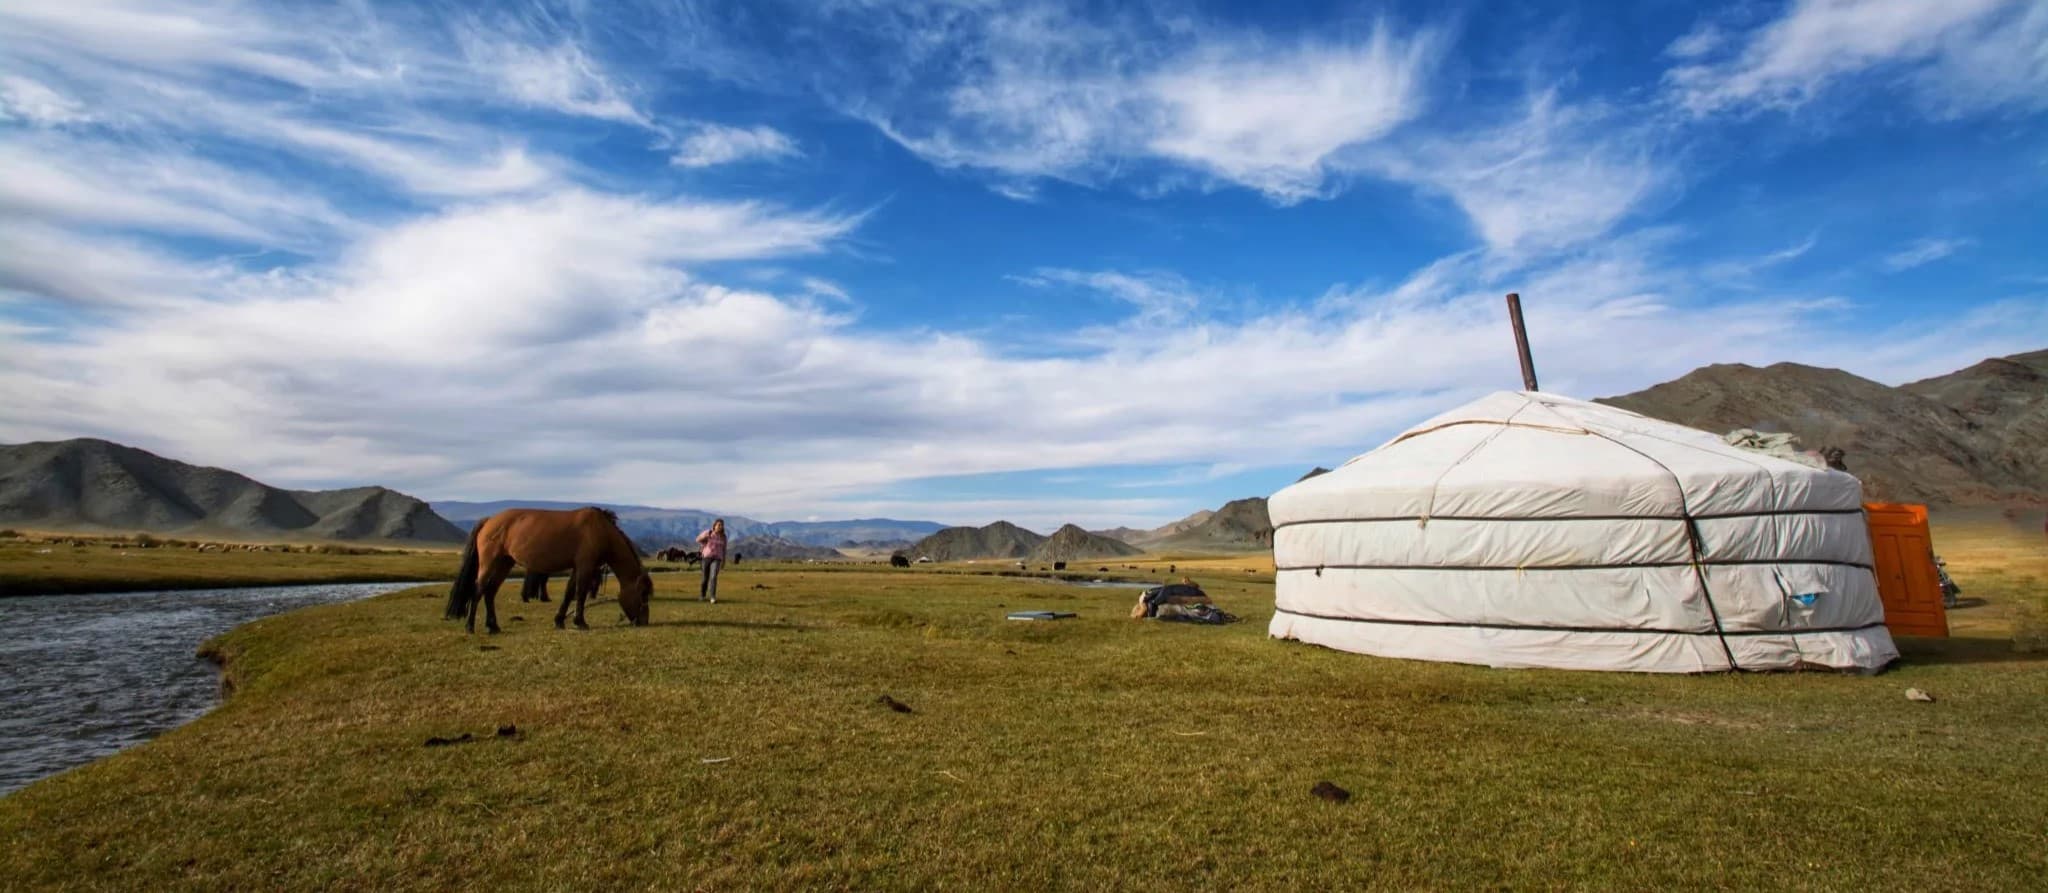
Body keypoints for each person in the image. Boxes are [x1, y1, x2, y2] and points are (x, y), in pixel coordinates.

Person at [695, 519, 728, 603]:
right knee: (705, 578)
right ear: (714, 525)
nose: (720, 526)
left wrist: (723, 561)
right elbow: (697, 539)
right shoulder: (709, 533)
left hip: (717, 559)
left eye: (722, 525)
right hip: (706, 557)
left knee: (713, 577)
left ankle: (712, 597)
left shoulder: (723, 537)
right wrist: (704, 539)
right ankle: (702, 595)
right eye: (719, 525)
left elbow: (724, 549)